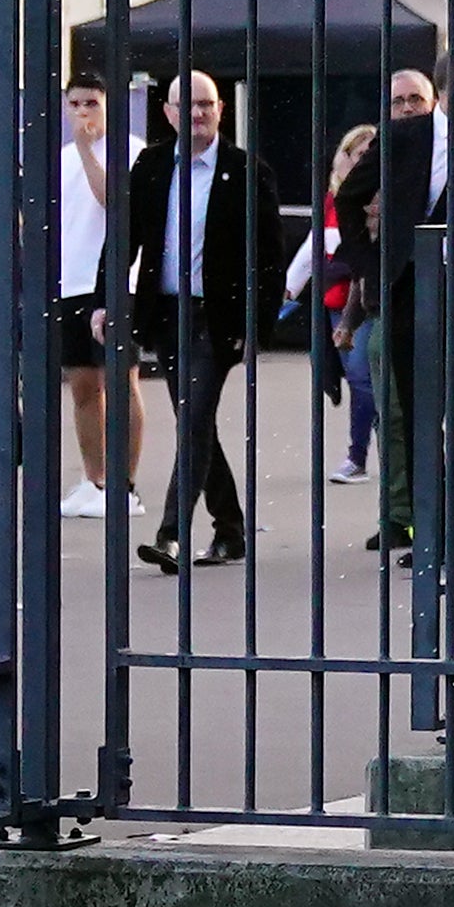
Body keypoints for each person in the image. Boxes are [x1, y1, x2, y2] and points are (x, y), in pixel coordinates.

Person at [346, 51, 454, 560]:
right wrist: (372, 265)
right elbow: (350, 196)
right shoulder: (403, 138)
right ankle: (430, 528)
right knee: (419, 414)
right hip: (412, 289)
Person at [115, 73, 263, 576]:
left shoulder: (244, 170)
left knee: (195, 417)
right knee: (194, 421)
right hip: (167, 313)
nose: (196, 115)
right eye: (187, 106)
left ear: (221, 109)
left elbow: (269, 257)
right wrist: (104, 301)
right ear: (169, 112)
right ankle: (231, 527)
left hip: (218, 318)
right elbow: (125, 237)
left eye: (206, 105)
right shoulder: (153, 166)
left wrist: (255, 324)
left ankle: (171, 534)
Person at [51, 78, 133, 525]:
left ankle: (126, 483)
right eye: (76, 103)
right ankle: (94, 477)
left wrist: (87, 151)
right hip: (72, 280)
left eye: (92, 103)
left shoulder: (126, 150)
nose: (84, 111)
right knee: (83, 385)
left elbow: (112, 201)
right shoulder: (60, 160)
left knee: (122, 380)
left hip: (117, 281)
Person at [306, 122, 382, 484]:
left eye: (371, 153)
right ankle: (369, 451)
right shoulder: (332, 200)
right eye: (358, 153)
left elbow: (357, 259)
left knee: (362, 377)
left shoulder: (377, 198)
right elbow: (315, 248)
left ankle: (359, 456)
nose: (364, 160)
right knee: (355, 380)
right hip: (334, 301)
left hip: (364, 300)